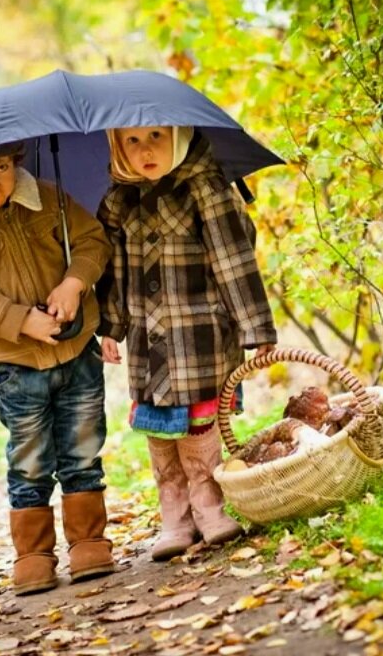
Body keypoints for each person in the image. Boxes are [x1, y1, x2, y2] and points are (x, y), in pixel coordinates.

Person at [0, 141, 116, 595]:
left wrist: (74, 283)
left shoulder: (48, 198)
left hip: (76, 351)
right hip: (16, 365)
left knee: (83, 447)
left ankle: (89, 541)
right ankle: (33, 554)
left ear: (16, 162)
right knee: (30, 459)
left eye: (1, 167)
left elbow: (93, 240)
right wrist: (21, 321)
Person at [96, 126, 277, 561]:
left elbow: (234, 261)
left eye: (156, 136)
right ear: (119, 147)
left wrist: (256, 329)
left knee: (198, 420)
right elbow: (115, 270)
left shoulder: (206, 188)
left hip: (200, 335)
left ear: (179, 135)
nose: (146, 150)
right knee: (159, 427)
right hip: (146, 341)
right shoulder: (121, 200)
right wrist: (111, 326)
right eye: (132, 142)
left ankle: (209, 507)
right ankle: (175, 517)